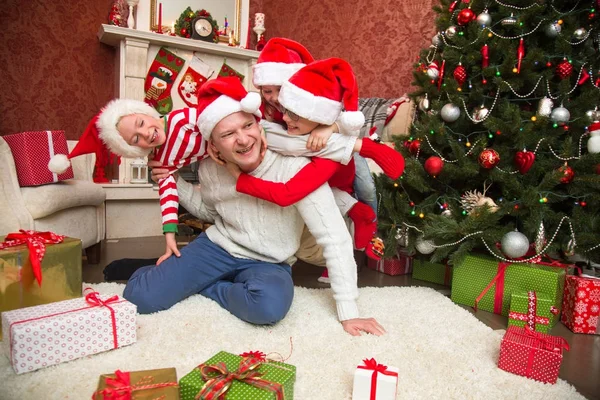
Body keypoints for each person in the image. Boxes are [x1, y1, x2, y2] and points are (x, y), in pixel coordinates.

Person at [124, 77, 386, 336]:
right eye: (228, 134)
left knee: (268, 308)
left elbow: (334, 238)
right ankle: (185, 276)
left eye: (247, 125)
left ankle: (207, 285)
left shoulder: (297, 168)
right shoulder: (210, 169)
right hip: (218, 248)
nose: (242, 139)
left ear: (259, 126)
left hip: (270, 261)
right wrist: (174, 181)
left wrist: (349, 311)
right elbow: (210, 213)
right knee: (140, 297)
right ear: (213, 146)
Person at [228, 58, 405, 263]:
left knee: (365, 185)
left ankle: (371, 225)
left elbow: (287, 192)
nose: (274, 98)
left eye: (279, 91)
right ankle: (356, 201)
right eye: (268, 92)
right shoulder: (275, 108)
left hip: (335, 152)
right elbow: (278, 136)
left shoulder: (318, 105)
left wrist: (332, 129)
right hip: (310, 144)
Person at [48, 100, 217, 265]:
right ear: (134, 149)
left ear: (147, 113)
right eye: (136, 139)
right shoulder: (160, 160)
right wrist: (169, 236)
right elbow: (168, 194)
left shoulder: (181, 119)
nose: (146, 133)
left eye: (141, 122)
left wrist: (214, 142)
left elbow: (217, 117)